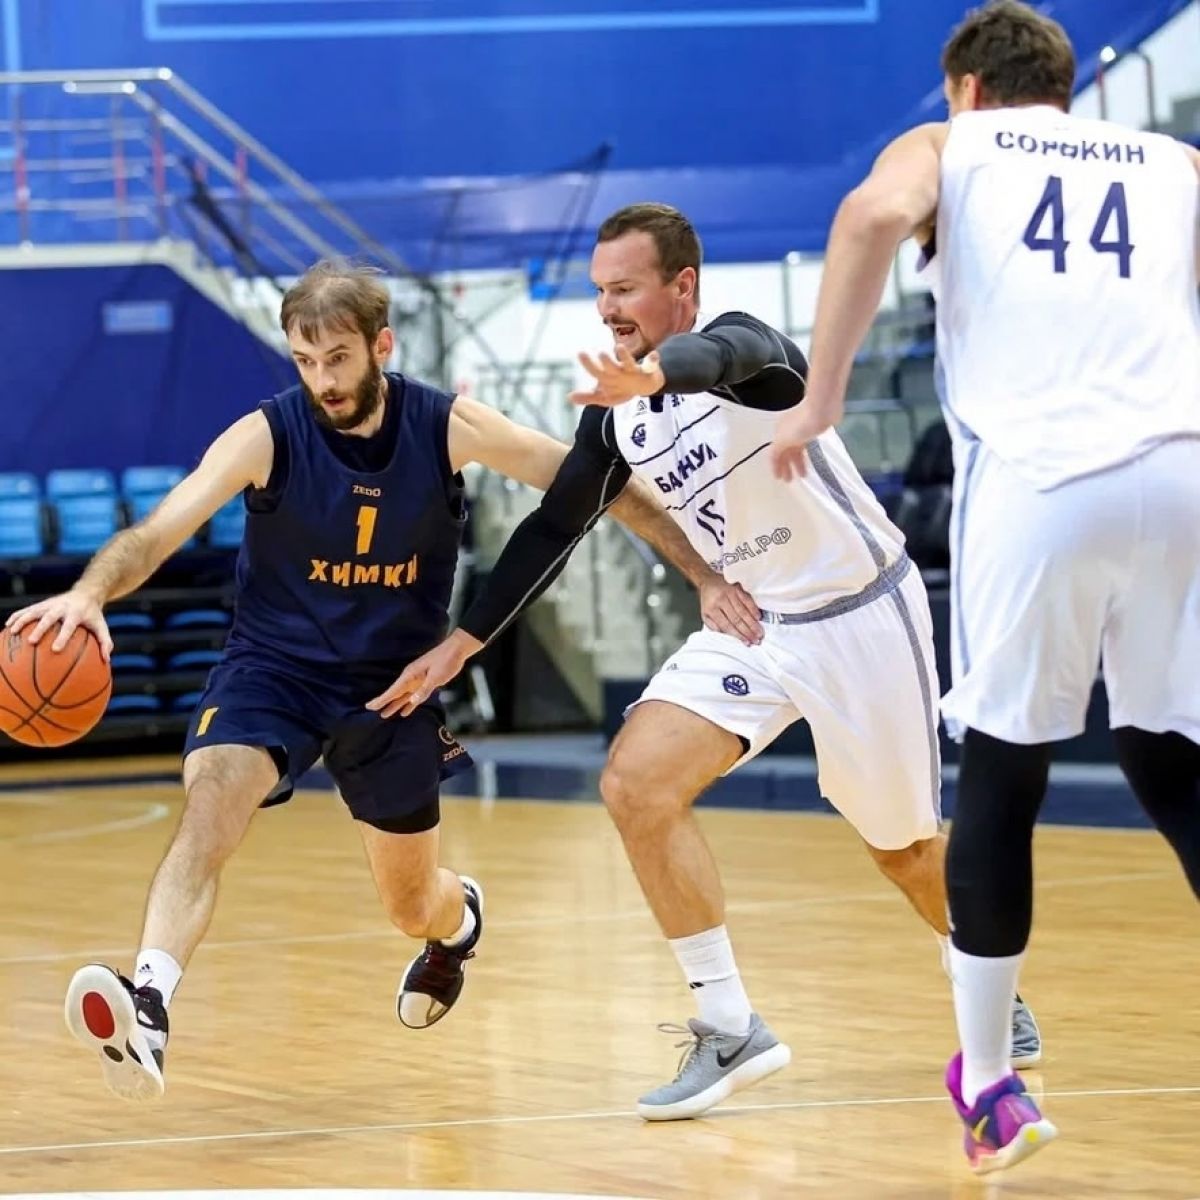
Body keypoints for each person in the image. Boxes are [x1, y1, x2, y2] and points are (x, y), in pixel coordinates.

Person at [6, 258, 746, 1102]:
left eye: (338, 359)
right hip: (273, 673)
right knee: (211, 804)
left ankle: (458, 921)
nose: (322, 380)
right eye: (305, 361)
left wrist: (703, 572)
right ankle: (149, 1003)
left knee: (411, 906)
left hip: (394, 690)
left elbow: (598, 483)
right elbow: (159, 530)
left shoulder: (446, 426)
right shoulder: (267, 435)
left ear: (381, 346)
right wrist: (89, 593)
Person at [369, 203, 1040, 1121]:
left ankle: (989, 986)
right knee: (635, 784)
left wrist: (655, 372)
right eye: (600, 291)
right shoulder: (620, 419)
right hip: (757, 625)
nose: (607, 308)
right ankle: (730, 1026)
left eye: (625, 288)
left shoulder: (752, 353)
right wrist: (461, 642)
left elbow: (718, 356)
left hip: (862, 615)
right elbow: (555, 527)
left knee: (904, 850)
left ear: (680, 285)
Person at [767, 0, 1200, 1174]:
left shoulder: (951, 143)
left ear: (966, 87)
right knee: (1171, 760)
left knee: (1006, 774)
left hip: (1045, 480)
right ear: (1066, 87)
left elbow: (868, 216)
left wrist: (819, 401)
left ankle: (988, 1082)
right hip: (1181, 479)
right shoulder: (1170, 159)